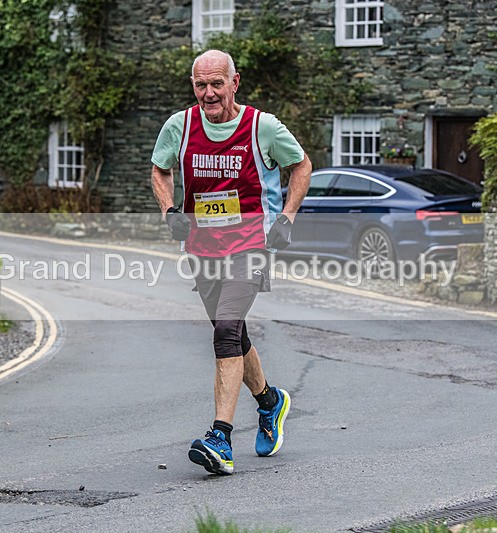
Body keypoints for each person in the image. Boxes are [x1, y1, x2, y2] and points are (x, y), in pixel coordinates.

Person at [150, 49, 311, 475]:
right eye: (200, 85)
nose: (209, 93)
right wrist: (169, 211)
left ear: (234, 82)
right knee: (232, 333)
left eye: (217, 84)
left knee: (225, 329)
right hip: (203, 249)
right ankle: (270, 402)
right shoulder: (179, 126)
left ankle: (220, 437)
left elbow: (301, 165)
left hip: (251, 244)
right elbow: (160, 170)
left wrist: (287, 217)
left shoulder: (263, 126)